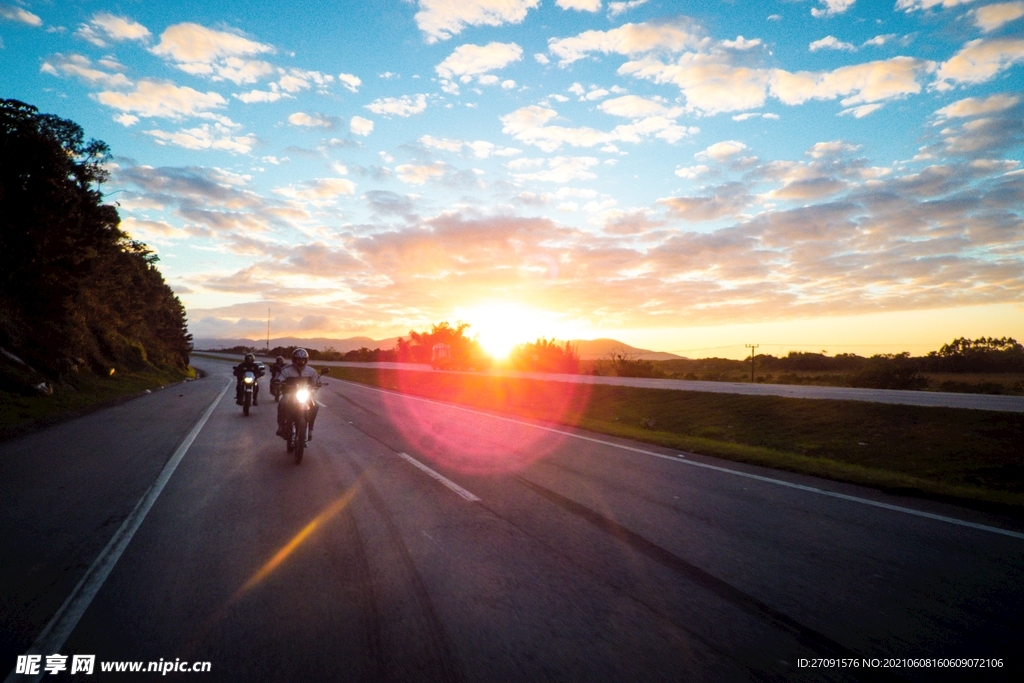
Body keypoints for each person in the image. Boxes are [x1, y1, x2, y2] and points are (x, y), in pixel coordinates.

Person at [276, 348, 320, 440]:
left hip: (306, 393)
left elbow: (316, 382)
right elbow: (279, 378)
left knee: (315, 406)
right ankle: (281, 426)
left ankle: (310, 428)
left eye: (303, 359)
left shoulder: (311, 371)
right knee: (282, 403)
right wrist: (278, 382)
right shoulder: (286, 370)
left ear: (306, 360)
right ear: (294, 359)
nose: (300, 361)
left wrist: (315, 387)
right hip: (289, 393)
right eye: (298, 359)